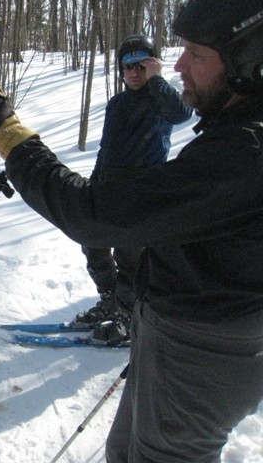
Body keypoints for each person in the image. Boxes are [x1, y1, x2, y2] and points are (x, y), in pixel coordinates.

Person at [0, 0, 263, 460]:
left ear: (249, 64)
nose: (180, 64)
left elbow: (95, 215)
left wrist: (11, 136)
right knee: (124, 450)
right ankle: (119, 304)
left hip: (203, 355)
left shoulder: (244, 155)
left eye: (195, 54)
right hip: (175, 331)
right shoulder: (231, 131)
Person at [74, 34, 192, 346]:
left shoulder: (161, 99)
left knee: (130, 256)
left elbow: (182, 114)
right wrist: (94, 181)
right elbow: (106, 147)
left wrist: (158, 80)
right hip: (107, 184)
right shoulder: (117, 103)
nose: (134, 72)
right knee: (92, 241)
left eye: (142, 66)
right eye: (128, 66)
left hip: (142, 188)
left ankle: (127, 315)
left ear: (152, 66)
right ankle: (111, 302)